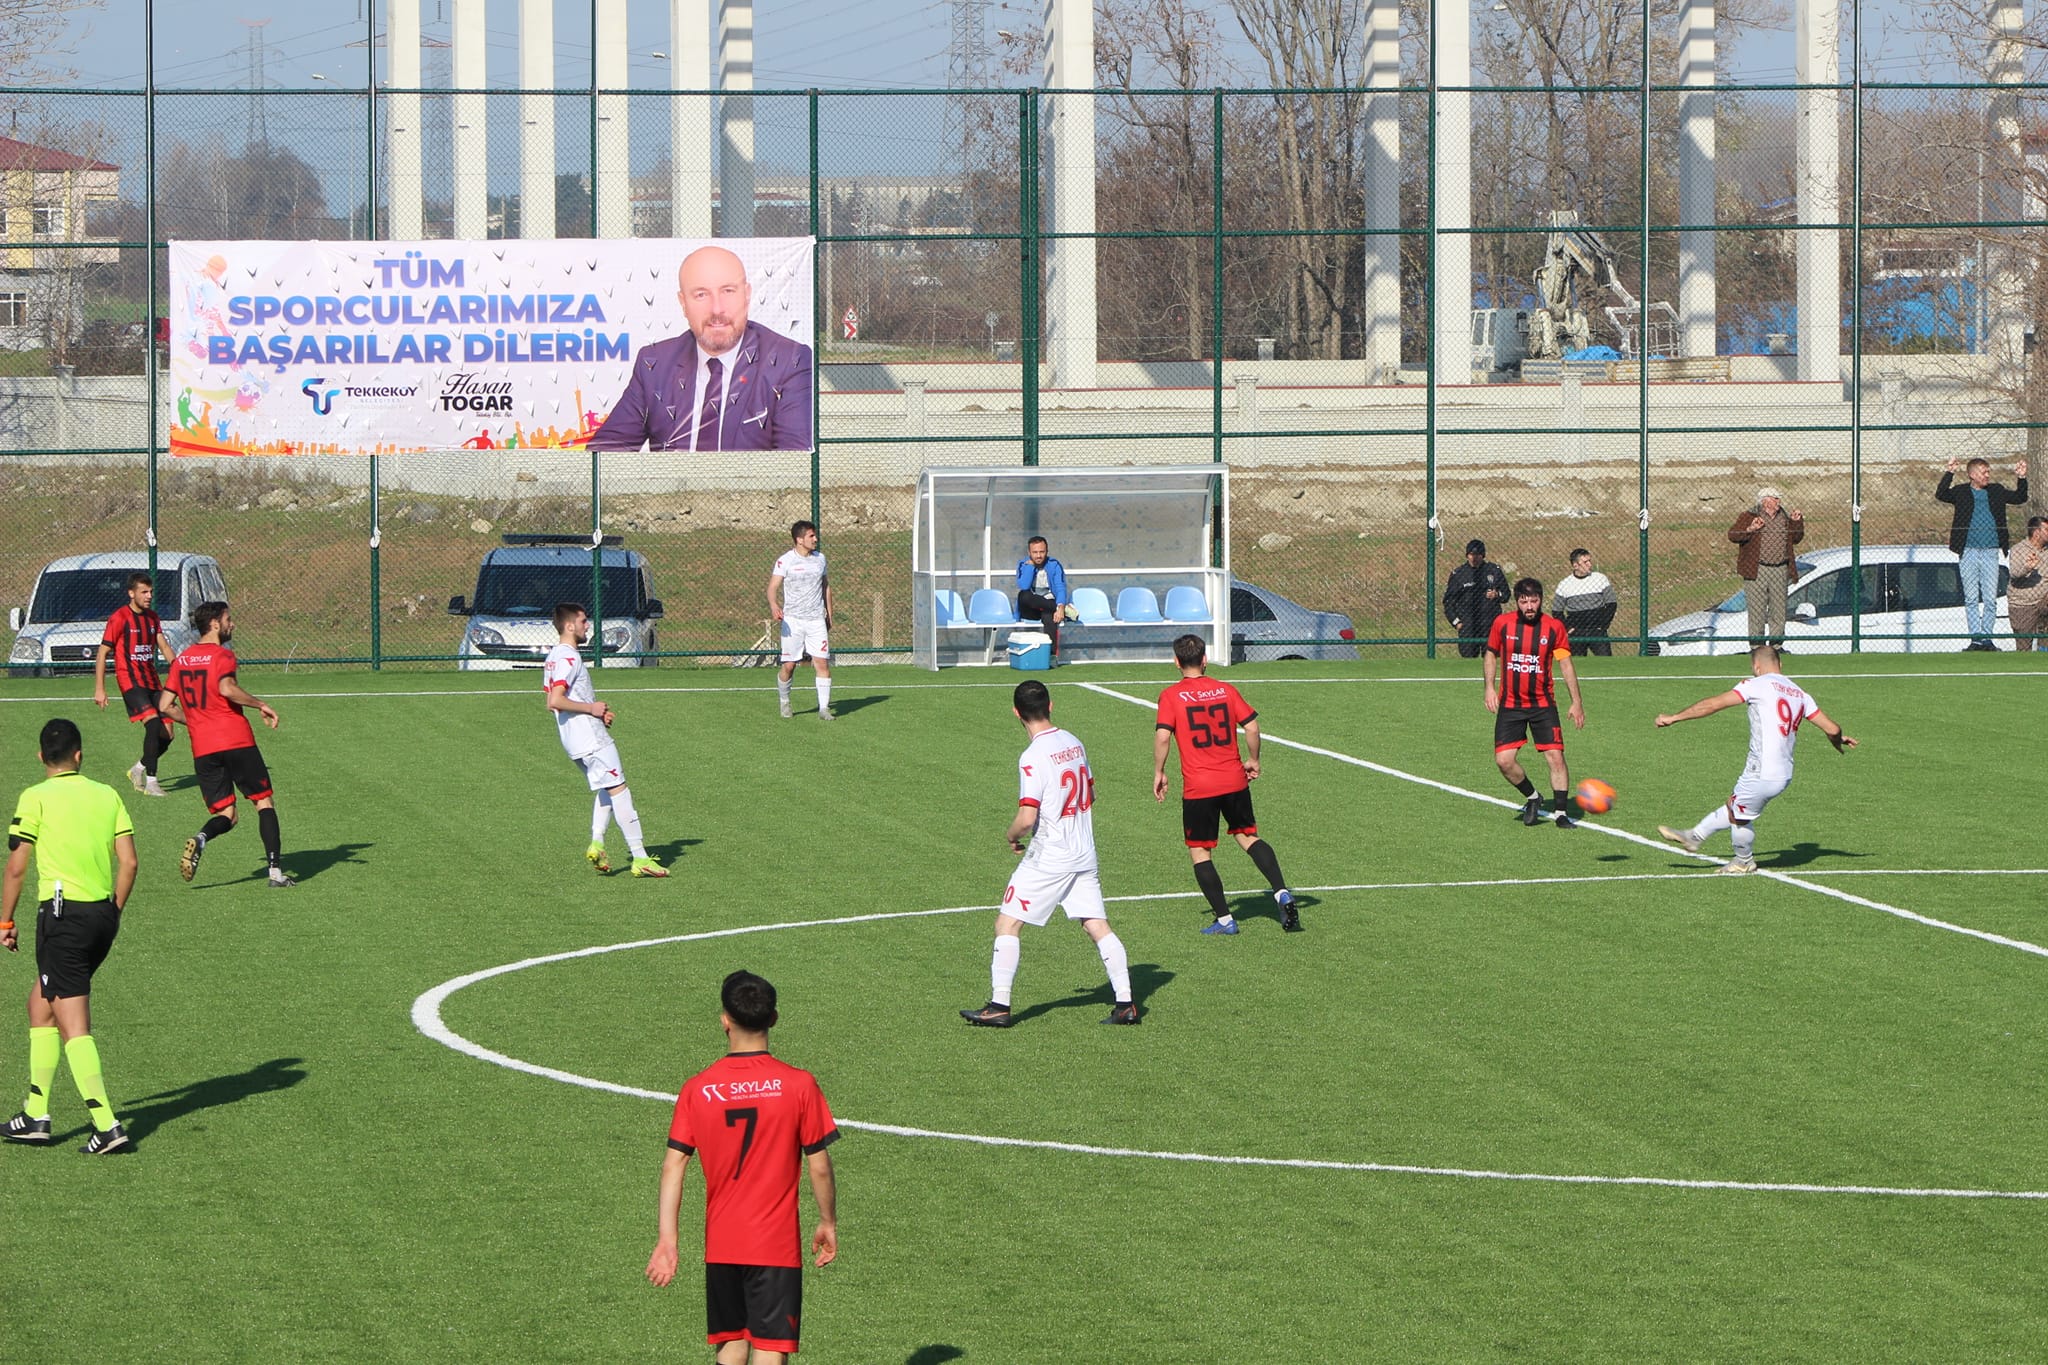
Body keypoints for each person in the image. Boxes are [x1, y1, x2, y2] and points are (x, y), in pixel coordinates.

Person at [646, 970, 839, 1365]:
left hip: (722, 1243)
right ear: (774, 1019)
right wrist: (828, 1221)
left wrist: (668, 1240)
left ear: (725, 1020)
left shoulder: (698, 1087)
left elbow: (673, 1166)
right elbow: (818, 1167)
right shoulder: (798, 1085)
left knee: (731, 1344)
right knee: (770, 1347)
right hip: (774, 1245)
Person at [960, 679, 1137, 1027]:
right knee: (1097, 925)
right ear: (1050, 705)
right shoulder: (1073, 741)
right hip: (1084, 851)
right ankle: (1126, 1003)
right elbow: (1092, 795)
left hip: (1050, 857)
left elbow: (1026, 819)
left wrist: (1011, 836)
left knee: (1007, 923)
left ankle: (999, 1005)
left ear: (1016, 713)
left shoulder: (1033, 756)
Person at [3, 718, 139, 1155]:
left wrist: (4, 921)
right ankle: (35, 1115)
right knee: (39, 1005)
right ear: (80, 755)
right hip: (101, 915)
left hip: (61, 920)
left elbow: (17, 867)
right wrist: (111, 913)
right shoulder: (107, 794)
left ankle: (107, 1126)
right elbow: (130, 863)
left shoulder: (35, 797)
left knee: (73, 1024)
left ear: (41, 757)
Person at [589, 245, 814, 452]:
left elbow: (794, 461)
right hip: (671, 494)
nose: (717, 309)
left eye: (728, 291)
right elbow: (604, 453)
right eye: (701, 295)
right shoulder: (654, 364)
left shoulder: (788, 361)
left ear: (746, 295)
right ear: (683, 302)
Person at [1654, 645, 1856, 874]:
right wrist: (1837, 740)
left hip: (1763, 769)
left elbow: (1713, 704)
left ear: (1756, 667)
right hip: (1783, 771)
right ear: (1781, 665)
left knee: (1740, 816)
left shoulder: (1755, 684)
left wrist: (1675, 717)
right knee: (1736, 806)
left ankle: (1743, 861)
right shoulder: (1800, 694)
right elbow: (1832, 728)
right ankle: (1694, 837)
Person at [1151, 633, 1299, 935]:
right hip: (1234, 780)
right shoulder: (1226, 689)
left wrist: (1159, 771)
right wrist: (1253, 760)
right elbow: (1252, 726)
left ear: (1176, 662)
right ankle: (1281, 891)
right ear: (1205, 660)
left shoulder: (1170, 696)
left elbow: (1164, 735)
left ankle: (1224, 920)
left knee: (1200, 851)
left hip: (1199, 787)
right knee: (1248, 836)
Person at [159, 602, 295, 888]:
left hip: (204, 748)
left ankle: (201, 838)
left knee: (227, 814)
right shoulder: (222, 655)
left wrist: (196, 721)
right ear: (215, 624)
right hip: (236, 740)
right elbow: (226, 688)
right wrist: (260, 704)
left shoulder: (181, 661)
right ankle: (275, 874)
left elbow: (165, 706)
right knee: (262, 801)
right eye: (228, 619)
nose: (232, 624)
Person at [545, 603, 668, 878]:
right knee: (620, 790)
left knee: (607, 786)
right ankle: (640, 858)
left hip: (575, 739)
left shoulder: (554, 657)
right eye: (583, 621)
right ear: (569, 626)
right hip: (592, 740)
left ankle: (597, 843)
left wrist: (596, 713)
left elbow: (553, 700)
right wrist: (591, 710)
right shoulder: (568, 658)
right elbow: (556, 701)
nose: (587, 626)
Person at [1484, 578, 1588, 829]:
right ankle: (1533, 797)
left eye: (1534, 600)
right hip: (1511, 704)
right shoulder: (1502, 624)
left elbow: (1565, 664)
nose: (1529, 606)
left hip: (1543, 704)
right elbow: (1491, 653)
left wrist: (1576, 702)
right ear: (1517, 602)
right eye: (1524, 601)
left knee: (1555, 757)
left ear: (1541, 600)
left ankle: (1561, 813)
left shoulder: (1554, 628)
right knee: (1504, 761)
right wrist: (1489, 687)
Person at [1934, 456, 2029, 650]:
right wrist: (1950, 472)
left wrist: (2021, 477)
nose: (1987, 475)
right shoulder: (1961, 492)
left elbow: (2020, 497)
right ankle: (1975, 639)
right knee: (1970, 598)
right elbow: (1941, 494)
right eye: (1984, 472)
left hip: (1990, 552)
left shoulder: (1996, 491)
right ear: (1972, 474)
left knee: (1990, 599)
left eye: (1988, 472)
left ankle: (1987, 638)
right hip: (1968, 551)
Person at [92, 571, 174, 797]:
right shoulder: (119, 618)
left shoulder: (153, 618)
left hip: (152, 681)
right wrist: (100, 688)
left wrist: (179, 671)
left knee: (168, 734)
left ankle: (137, 769)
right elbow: (102, 653)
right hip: (130, 682)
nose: (149, 596)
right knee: (154, 724)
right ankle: (152, 782)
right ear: (131, 593)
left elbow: (164, 647)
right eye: (144, 592)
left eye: (151, 592)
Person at [768, 521, 834, 721]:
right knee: (789, 665)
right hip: (793, 621)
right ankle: (785, 701)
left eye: (815, 536)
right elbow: (772, 587)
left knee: (822, 663)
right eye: (811, 536)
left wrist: (829, 614)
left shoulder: (820, 559)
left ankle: (824, 709)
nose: (816, 539)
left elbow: (826, 587)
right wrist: (774, 605)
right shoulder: (785, 561)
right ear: (799, 539)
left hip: (815, 620)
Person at [1726, 486, 1805, 649]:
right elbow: (1733, 535)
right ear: (1765, 500)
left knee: (1779, 609)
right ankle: (1757, 647)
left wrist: (1797, 523)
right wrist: (1750, 529)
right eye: (1775, 498)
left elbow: (1796, 539)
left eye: (1778, 499)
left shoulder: (1784, 517)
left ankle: (1776, 646)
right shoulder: (1749, 516)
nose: (1778, 501)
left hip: (1780, 568)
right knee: (1757, 610)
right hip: (1757, 569)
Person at [1442, 539, 1509, 659]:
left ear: (1482, 555)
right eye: (1471, 554)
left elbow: (1506, 594)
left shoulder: (1494, 571)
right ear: (1467, 555)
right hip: (1467, 625)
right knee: (1468, 658)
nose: (1474, 558)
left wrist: (1496, 594)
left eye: (1477, 555)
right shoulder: (1459, 574)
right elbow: (1448, 602)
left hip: (1489, 624)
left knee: (1491, 657)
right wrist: (1456, 622)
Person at [1014, 536, 1078, 660]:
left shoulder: (1054, 565)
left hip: (1047, 605)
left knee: (1050, 617)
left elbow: (1060, 587)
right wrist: (1030, 566)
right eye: (1035, 552)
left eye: (1042, 552)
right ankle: (1064, 610)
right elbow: (1024, 585)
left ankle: (1051, 657)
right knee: (1024, 595)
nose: (1038, 556)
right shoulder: (1023, 564)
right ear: (1029, 553)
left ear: (1047, 552)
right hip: (1030, 608)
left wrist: (1059, 605)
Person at [1551, 549, 1617, 656]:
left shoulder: (1600, 579)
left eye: (1590, 561)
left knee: (1606, 662)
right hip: (1576, 632)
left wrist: (1603, 625)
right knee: (1577, 665)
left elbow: (1611, 604)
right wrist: (1568, 628)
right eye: (1585, 562)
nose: (1590, 565)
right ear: (1575, 565)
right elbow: (1556, 611)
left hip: (1597, 631)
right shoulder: (1565, 584)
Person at [2006, 515, 2048, 652]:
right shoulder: (2018, 549)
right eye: (2047, 530)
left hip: (2044, 599)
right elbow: (2015, 574)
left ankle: (2044, 650)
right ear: (2037, 532)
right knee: (2023, 647)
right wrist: (2028, 567)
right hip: (2023, 603)